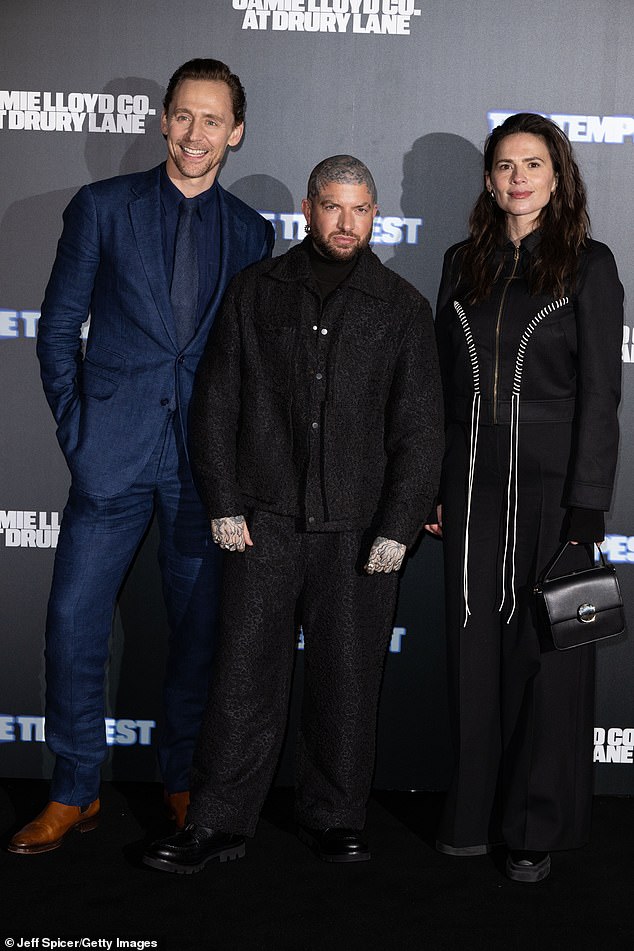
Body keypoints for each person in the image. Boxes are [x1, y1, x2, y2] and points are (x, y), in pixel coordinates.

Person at [142, 154, 444, 873]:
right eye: (333, 207)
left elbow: (421, 428)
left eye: (360, 209)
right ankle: (216, 822)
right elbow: (215, 404)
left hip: (359, 532)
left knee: (346, 681)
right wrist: (223, 503)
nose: (347, 222)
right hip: (262, 524)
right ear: (308, 209)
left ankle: (335, 816)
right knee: (242, 678)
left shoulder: (401, 306)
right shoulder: (255, 291)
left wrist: (399, 527)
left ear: (375, 215)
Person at [8, 58, 274, 855]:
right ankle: (73, 789)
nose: (196, 134)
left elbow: (246, 360)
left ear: (237, 132)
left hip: (204, 468)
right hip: (111, 457)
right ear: (164, 121)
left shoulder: (252, 232)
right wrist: (78, 429)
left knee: (197, 634)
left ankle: (183, 777)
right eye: (183, 117)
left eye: (213, 120)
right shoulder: (102, 208)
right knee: (72, 623)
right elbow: (56, 332)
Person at [425, 113, 623, 883]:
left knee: (551, 659)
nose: (517, 177)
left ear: (557, 174)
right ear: (488, 177)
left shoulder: (589, 264)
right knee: (474, 650)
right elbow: (443, 390)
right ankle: (472, 817)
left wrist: (587, 506)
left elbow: (602, 396)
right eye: (504, 164)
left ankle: (536, 826)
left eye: (532, 164)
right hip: (469, 478)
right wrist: (431, 487)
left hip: (553, 484)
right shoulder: (460, 262)